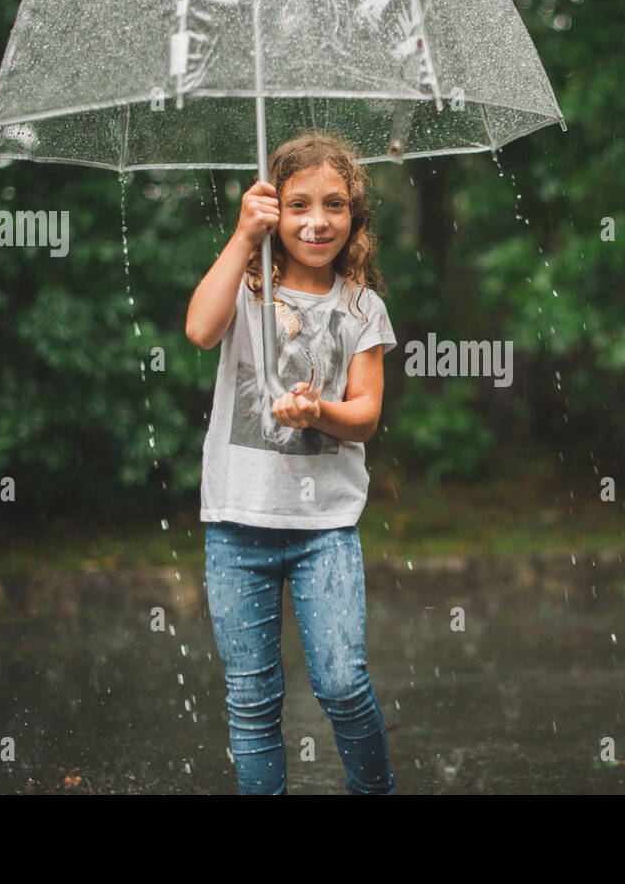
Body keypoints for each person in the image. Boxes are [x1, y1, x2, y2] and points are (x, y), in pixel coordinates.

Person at [185, 130, 397, 794]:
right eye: (298, 204)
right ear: (274, 207)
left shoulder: (362, 307)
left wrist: (319, 414)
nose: (316, 221)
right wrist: (245, 237)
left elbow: (365, 412)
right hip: (238, 520)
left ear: (354, 216)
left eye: (334, 205)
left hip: (325, 529)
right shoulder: (247, 290)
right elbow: (197, 330)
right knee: (251, 700)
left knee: (341, 680)